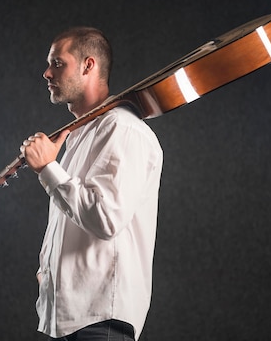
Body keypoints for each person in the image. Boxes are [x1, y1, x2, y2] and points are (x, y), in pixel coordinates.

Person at [19, 27, 163, 341]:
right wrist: (50, 268)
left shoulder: (123, 129)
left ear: (88, 65)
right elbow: (77, 222)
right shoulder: (77, 139)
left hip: (100, 323)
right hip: (65, 322)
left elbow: (105, 217)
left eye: (58, 63)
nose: (47, 73)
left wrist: (47, 168)